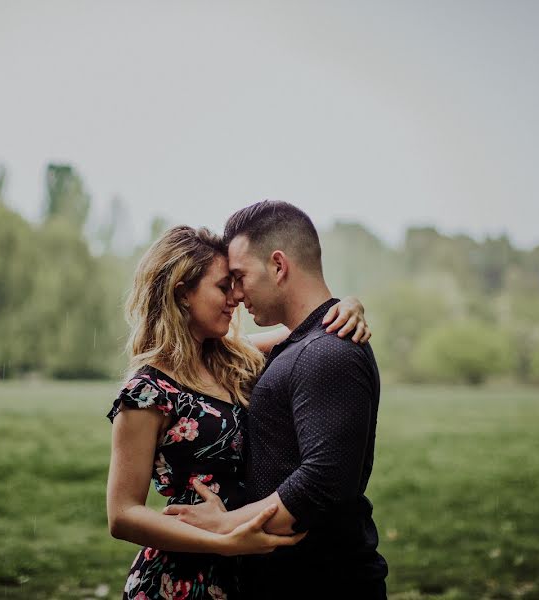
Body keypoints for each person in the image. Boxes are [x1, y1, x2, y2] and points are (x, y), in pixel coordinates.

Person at [106, 225, 372, 600]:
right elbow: (122, 515)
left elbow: (312, 328)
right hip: (182, 579)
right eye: (222, 286)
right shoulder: (146, 393)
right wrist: (223, 541)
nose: (236, 297)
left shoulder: (234, 358)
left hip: (249, 572)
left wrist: (350, 305)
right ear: (182, 293)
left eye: (235, 282)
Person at [164, 202, 389, 598]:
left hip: (326, 584)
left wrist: (227, 523)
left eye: (239, 276)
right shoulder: (302, 344)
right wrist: (347, 302)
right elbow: (201, 356)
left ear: (279, 266)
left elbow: (322, 483)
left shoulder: (328, 353)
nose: (235, 293)